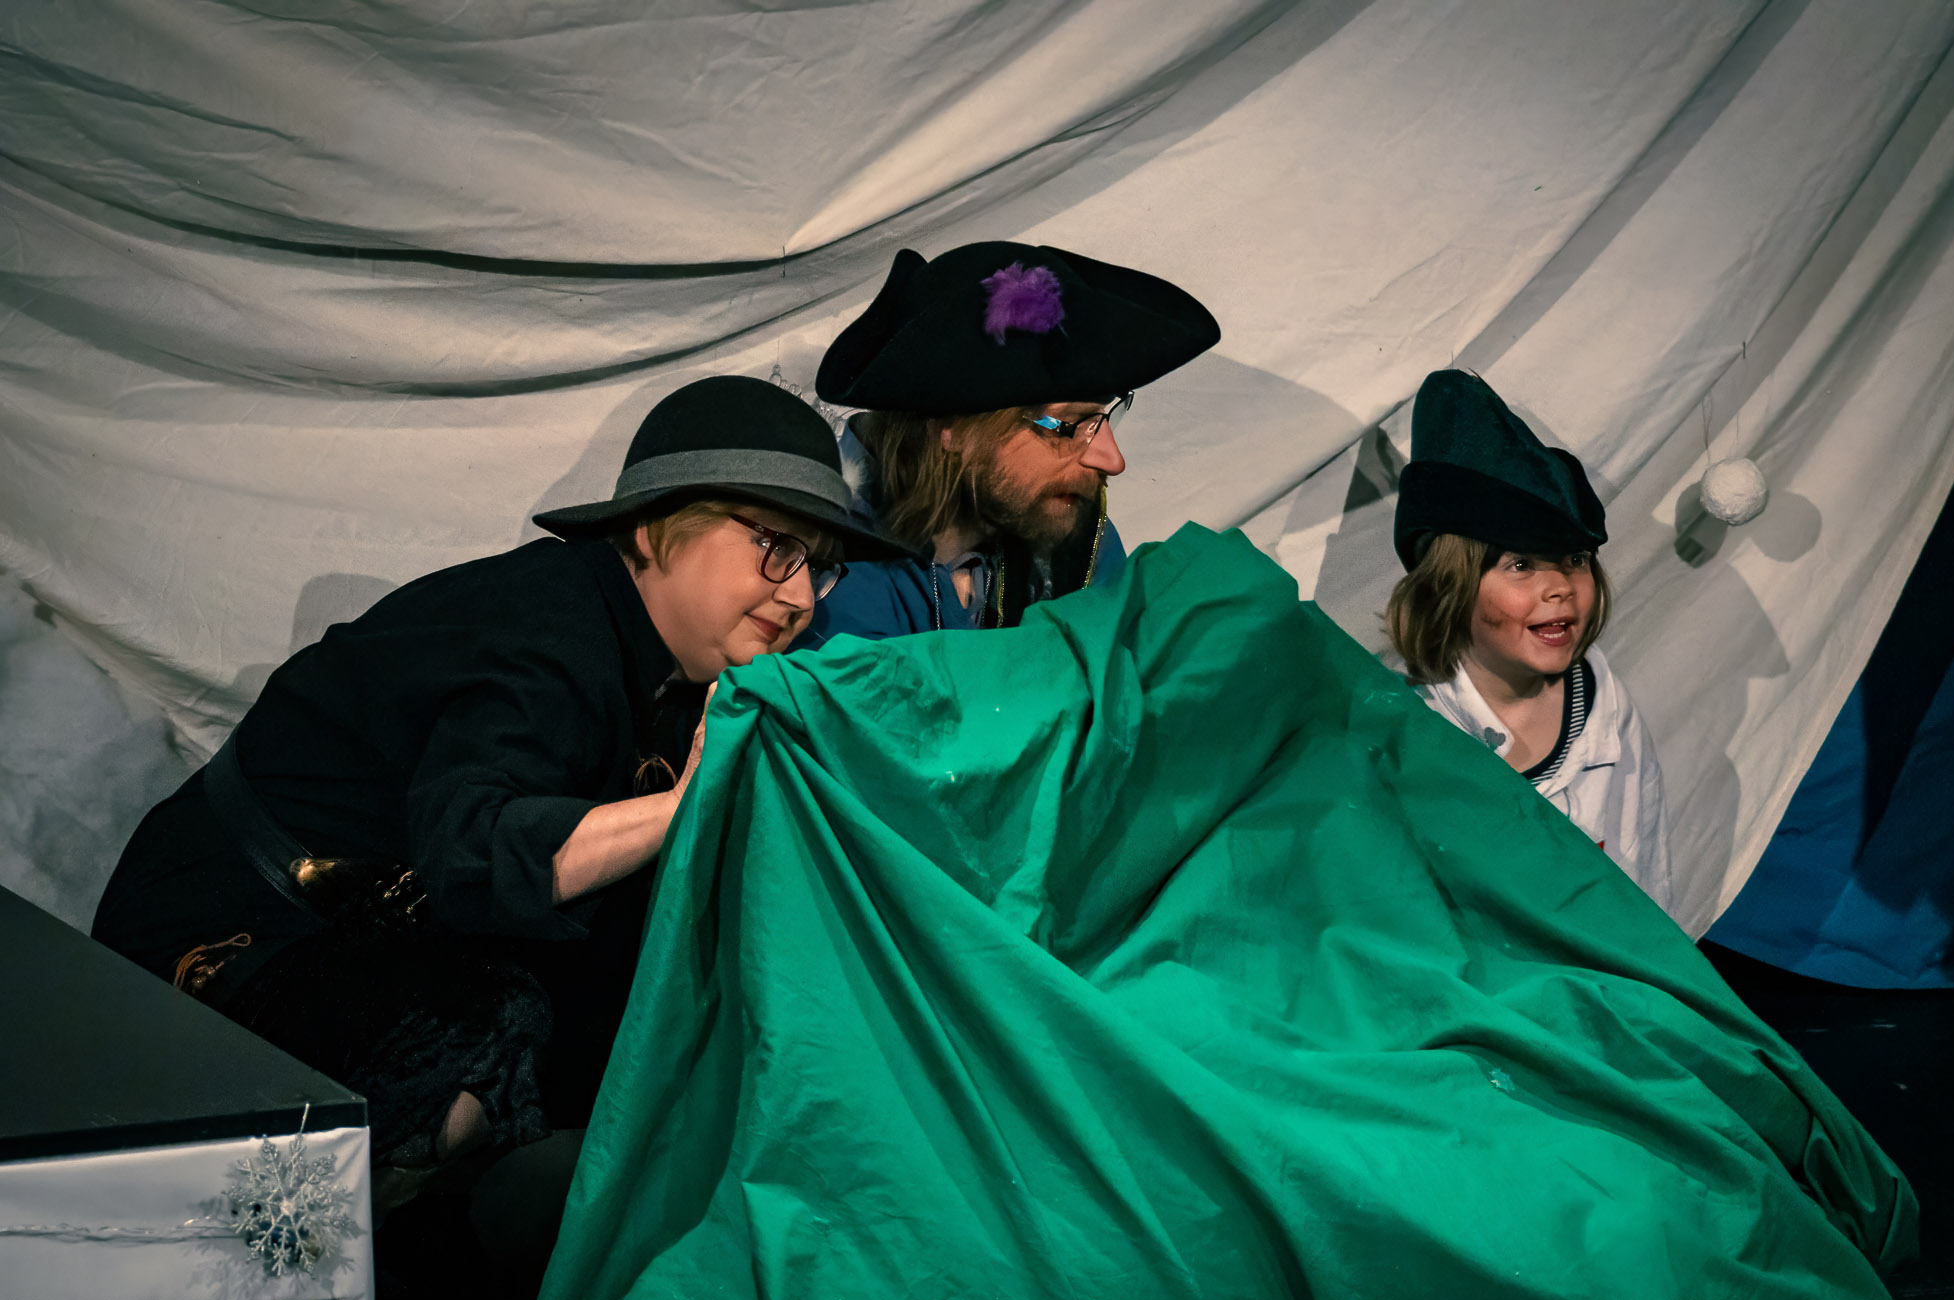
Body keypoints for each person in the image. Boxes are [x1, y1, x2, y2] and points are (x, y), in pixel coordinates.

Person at [92, 375, 906, 1193]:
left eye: (821, 567)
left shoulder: (685, 676)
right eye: (778, 546)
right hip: (234, 929)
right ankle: (305, 1249)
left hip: (386, 942)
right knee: (493, 1023)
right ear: (658, 527)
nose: (801, 596)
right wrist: (679, 809)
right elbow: (476, 848)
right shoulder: (549, 629)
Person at [797, 241, 1219, 644]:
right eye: (1067, 425)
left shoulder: (1077, 540)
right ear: (953, 429)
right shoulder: (817, 565)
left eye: (1105, 418)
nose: (1112, 460)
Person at [1384, 369, 1673, 912]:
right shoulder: (1407, 735)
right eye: (1520, 564)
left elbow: (1644, 877)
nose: (1560, 586)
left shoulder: (1608, 712)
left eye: (1575, 559)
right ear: (1448, 586)